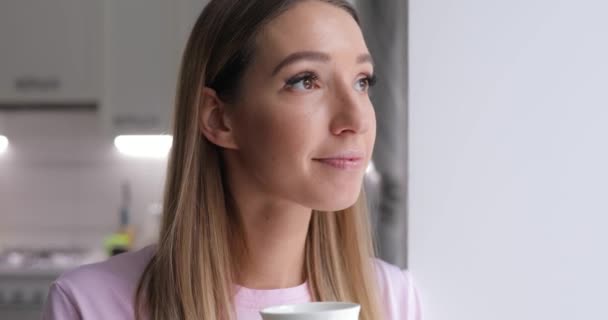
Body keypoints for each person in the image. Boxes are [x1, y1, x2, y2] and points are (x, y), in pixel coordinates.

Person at [41, 0, 421, 319]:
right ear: (218, 118)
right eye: (306, 80)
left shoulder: (391, 299)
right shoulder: (91, 305)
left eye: (362, 81)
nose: (355, 120)